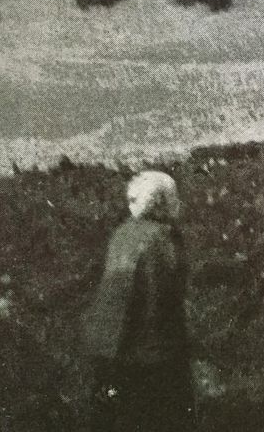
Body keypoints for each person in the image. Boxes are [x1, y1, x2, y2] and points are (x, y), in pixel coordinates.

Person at [79, 171, 193, 431]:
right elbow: (164, 300)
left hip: (110, 349)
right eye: (175, 198)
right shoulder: (164, 238)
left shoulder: (122, 234)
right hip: (152, 355)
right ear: (163, 202)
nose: (179, 203)